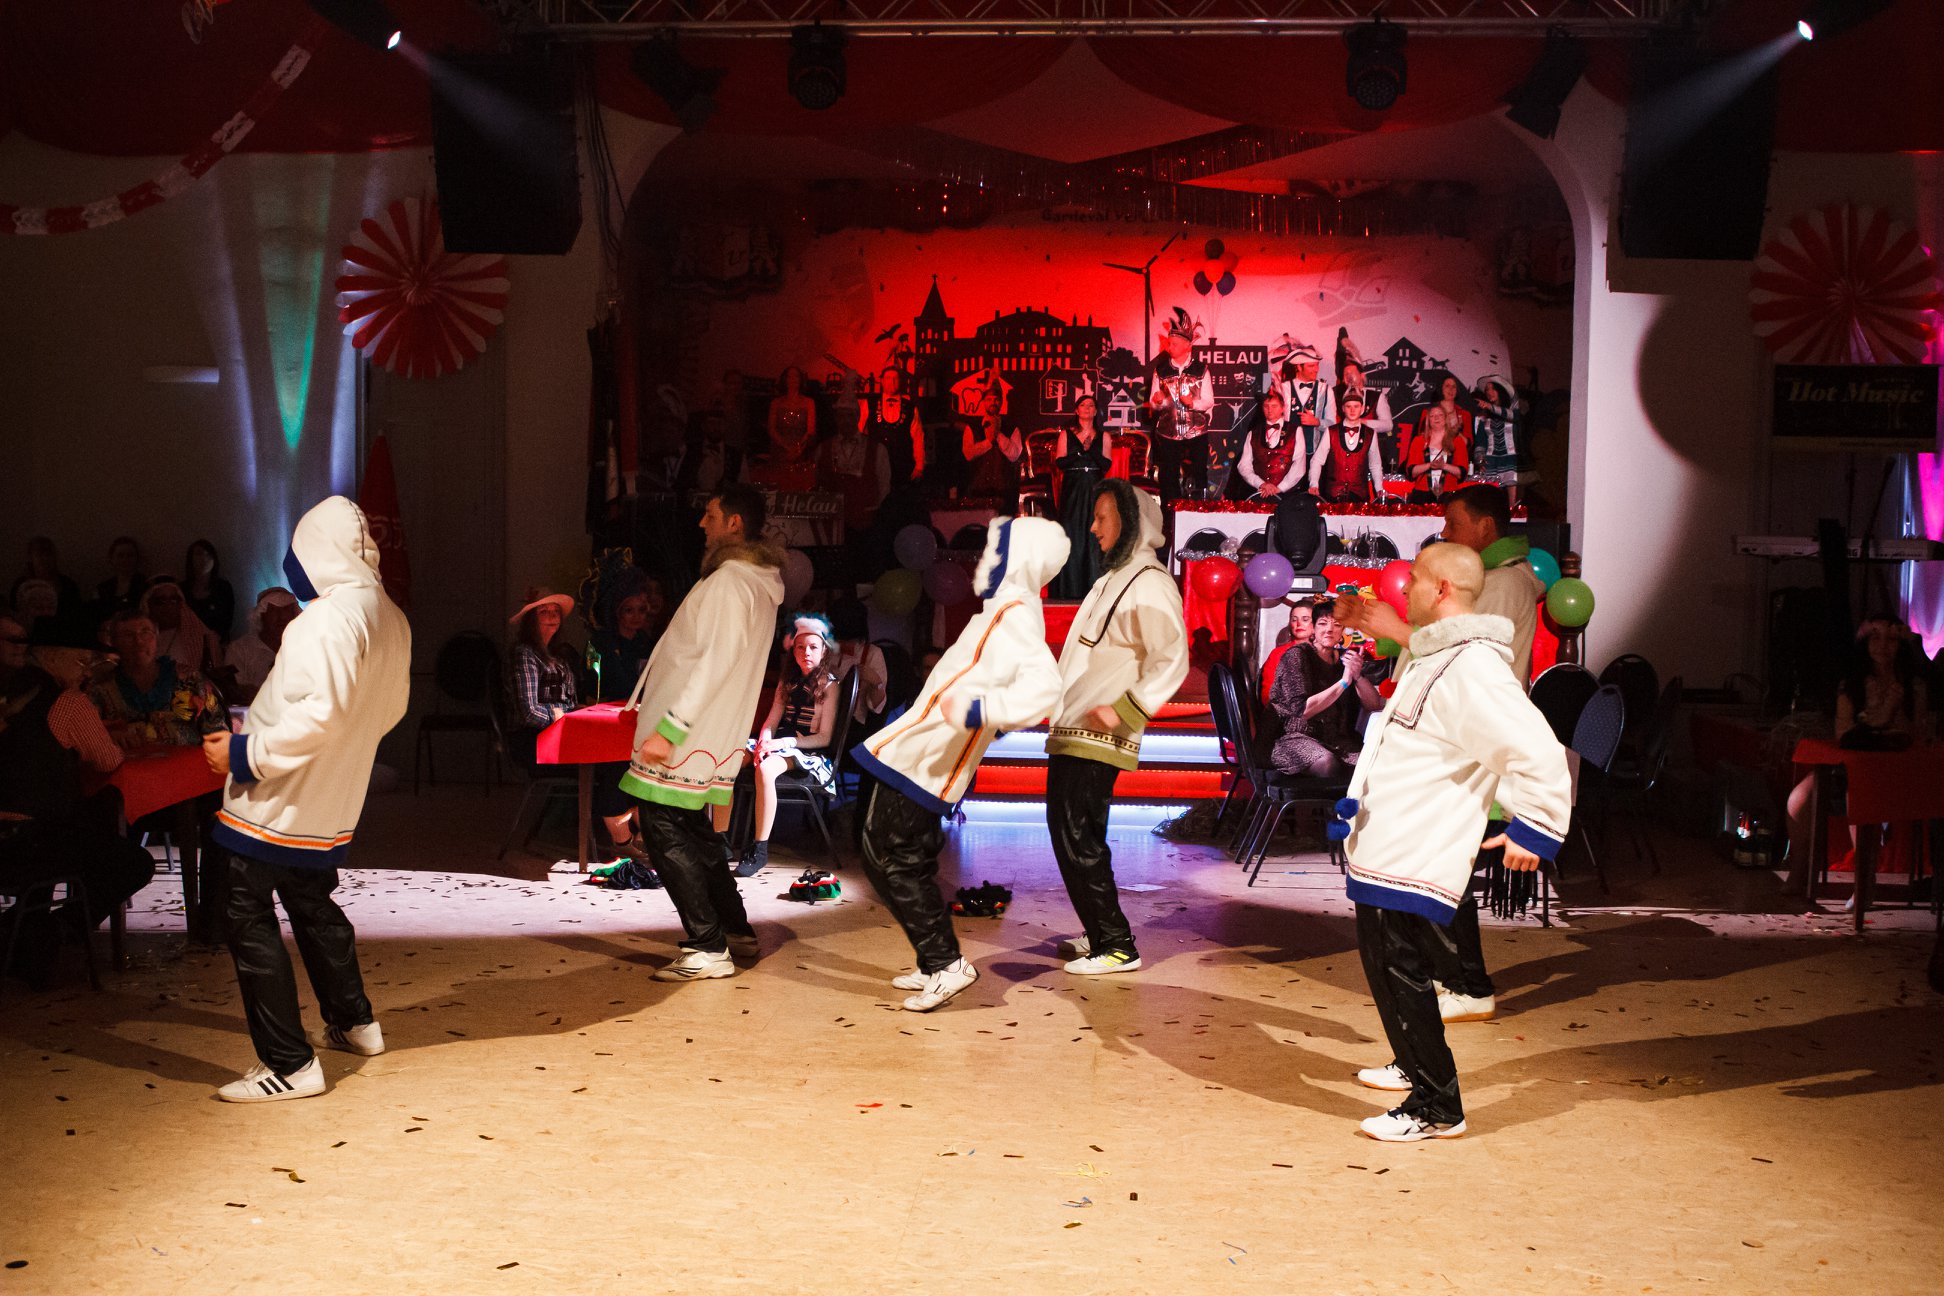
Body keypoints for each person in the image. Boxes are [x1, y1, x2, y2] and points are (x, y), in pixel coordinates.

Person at [1337, 542, 1571, 1141]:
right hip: (1393, 839)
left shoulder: (1473, 667)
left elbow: (1536, 750)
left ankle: (1436, 1106)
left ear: (1441, 589)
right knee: (1392, 965)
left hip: (1416, 844)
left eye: (1414, 579)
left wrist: (1535, 827)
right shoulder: (1440, 653)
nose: (1404, 588)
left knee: (1400, 967)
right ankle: (1413, 1063)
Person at [202, 496, 411, 1102]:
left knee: (244, 910)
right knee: (311, 900)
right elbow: (387, 711)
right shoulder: (391, 617)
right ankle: (353, 1022)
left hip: (278, 794)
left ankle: (290, 1064)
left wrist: (244, 753)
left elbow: (319, 714)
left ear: (315, 552)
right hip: (332, 795)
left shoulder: (324, 619)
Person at [1336, 483, 1546, 1022]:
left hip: (1458, 754)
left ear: (1485, 528)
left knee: (1445, 870)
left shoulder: (1501, 584)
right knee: (1425, 871)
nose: (1444, 532)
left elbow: (1462, 649)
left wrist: (1394, 629)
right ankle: (1448, 983)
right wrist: (1379, 625)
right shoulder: (1491, 585)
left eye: (1453, 525)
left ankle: (1467, 984)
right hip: (1441, 748)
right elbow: (1439, 642)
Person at [851, 516, 1068, 1012]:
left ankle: (945, 962)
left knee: (891, 858)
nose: (985, 559)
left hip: (931, 757)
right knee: (887, 855)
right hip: (917, 749)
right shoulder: (1001, 609)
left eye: (997, 551)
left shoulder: (1016, 614)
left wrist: (979, 713)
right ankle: (935, 958)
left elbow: (1045, 688)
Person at [620, 485, 784, 982]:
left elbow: (715, 662)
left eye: (710, 515)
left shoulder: (733, 582)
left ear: (734, 523)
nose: (701, 524)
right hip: (710, 730)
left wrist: (670, 728)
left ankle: (707, 944)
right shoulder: (752, 582)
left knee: (661, 826)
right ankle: (733, 929)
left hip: (689, 732)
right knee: (695, 830)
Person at [1045, 482, 1189, 975]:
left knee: (1076, 833)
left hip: (1099, 730)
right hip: (1079, 725)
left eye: (1102, 517)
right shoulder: (1115, 578)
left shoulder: (1149, 582)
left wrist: (1128, 709)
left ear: (1129, 522)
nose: (1092, 528)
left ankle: (1117, 944)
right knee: (1076, 832)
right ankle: (1100, 929)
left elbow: (1172, 657)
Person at [0, 616, 154, 988]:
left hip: (6, 839)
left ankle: (22, 932)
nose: (86, 670)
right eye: (81, 661)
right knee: (132, 862)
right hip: (32, 841)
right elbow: (108, 760)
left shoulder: (9, 691)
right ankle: (52, 932)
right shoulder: (67, 702)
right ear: (51, 657)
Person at [1784, 618, 1933, 891]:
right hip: (1854, 765)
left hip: (1897, 770)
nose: (1883, 645)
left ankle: (1864, 881)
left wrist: (1892, 709)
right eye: (1875, 637)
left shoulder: (1913, 685)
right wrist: (1879, 718)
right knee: (1801, 798)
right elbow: (1844, 733)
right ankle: (1801, 869)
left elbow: (1914, 735)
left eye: (1891, 639)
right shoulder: (1852, 685)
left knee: (1860, 793)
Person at [738, 613, 841, 878]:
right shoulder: (788, 681)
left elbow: (824, 737)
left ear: (824, 650)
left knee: (766, 769)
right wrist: (764, 740)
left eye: (813, 647)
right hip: (779, 741)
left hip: (807, 749)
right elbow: (772, 720)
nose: (806, 652)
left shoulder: (830, 686)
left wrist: (784, 742)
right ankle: (720, 838)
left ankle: (759, 848)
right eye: (800, 647)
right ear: (793, 650)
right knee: (732, 759)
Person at [1268, 598, 1381, 777]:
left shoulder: (1345, 659)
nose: (1329, 629)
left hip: (1338, 742)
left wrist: (1357, 675)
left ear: (1342, 631)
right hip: (1294, 739)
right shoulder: (1296, 656)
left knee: (1377, 763)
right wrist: (1344, 682)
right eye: (1322, 623)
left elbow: (1374, 705)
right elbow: (1303, 711)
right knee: (1327, 762)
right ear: (1313, 628)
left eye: (1337, 625)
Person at [89, 609, 226, 750]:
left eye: (145, 632)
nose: (138, 641)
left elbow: (218, 729)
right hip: (128, 763)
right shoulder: (100, 689)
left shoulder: (190, 680)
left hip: (187, 761)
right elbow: (86, 736)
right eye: (128, 635)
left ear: (157, 638)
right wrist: (107, 736)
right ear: (113, 642)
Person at [505, 589, 579, 770]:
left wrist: (577, 713)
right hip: (534, 740)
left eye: (556, 612)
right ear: (531, 620)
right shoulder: (524, 653)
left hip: (559, 734)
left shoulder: (558, 655)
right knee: (598, 759)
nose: (552, 616)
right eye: (544, 612)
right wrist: (564, 717)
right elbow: (529, 713)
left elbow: (570, 701)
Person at [1146, 308, 1214, 503]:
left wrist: (1193, 403)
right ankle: (1170, 512)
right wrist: (1158, 401)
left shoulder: (1201, 369)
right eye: (1169, 343)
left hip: (1196, 431)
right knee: (1168, 475)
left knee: (1199, 473)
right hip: (1168, 431)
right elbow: (1154, 404)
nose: (1170, 347)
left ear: (1188, 345)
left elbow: (1209, 400)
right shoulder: (1161, 370)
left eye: (1174, 344)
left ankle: (1198, 509)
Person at [1051, 395, 1113, 599]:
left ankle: (1095, 586)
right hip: (1073, 486)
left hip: (1094, 486)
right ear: (1076, 410)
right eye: (1083, 405)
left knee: (1094, 533)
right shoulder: (1066, 434)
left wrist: (1090, 450)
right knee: (1072, 532)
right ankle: (1069, 588)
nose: (1087, 408)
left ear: (1095, 412)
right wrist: (1079, 452)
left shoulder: (1103, 436)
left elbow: (1106, 464)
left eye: (1091, 405)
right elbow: (1060, 463)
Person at [1308, 392, 1387, 504]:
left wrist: (1379, 488)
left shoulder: (1370, 434)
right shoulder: (1331, 431)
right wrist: (1314, 484)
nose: (1352, 410)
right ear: (1343, 409)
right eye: (1348, 406)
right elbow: (1317, 460)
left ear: (1362, 409)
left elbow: (1375, 465)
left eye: (1356, 406)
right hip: (1332, 495)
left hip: (1359, 496)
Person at [226, 588, 301, 705]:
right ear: (261, 615)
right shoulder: (239, 649)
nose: (282, 617)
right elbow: (234, 689)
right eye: (274, 611)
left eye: (286, 610)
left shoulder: (303, 647)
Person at [1234, 388, 1310, 501]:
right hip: (1260, 494)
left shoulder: (1295, 431)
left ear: (1283, 408)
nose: (1269, 410)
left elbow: (1299, 465)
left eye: (1274, 406)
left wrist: (1280, 488)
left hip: (1287, 496)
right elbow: (1243, 465)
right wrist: (1261, 484)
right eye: (1266, 406)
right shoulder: (1253, 433)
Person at [139, 577, 224, 678]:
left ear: (181, 605)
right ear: (148, 605)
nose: (168, 606)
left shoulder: (205, 639)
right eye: (160, 601)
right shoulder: (138, 640)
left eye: (173, 600)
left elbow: (215, 680)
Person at [1269, 339, 1332, 462]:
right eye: (1311, 366)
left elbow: (1332, 425)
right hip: (1287, 453)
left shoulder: (1325, 390)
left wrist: (1317, 422)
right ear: (1299, 367)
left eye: (1317, 365)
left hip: (1315, 456)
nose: (1316, 369)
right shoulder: (1283, 388)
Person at [961, 389, 1024, 500]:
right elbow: (968, 454)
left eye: (996, 399)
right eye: (989, 399)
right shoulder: (972, 428)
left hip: (1005, 490)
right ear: (983, 402)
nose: (993, 402)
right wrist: (988, 442)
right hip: (978, 489)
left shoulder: (1012, 428)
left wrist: (997, 433)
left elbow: (1014, 455)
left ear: (1001, 402)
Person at [1401, 404, 1470, 503]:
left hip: (1449, 495)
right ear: (1428, 420)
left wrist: (1443, 466)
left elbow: (1462, 473)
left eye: (1440, 415)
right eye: (1432, 416)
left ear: (1445, 418)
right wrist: (1430, 465)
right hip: (1422, 495)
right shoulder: (1419, 441)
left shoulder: (1457, 441)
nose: (1436, 418)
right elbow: (1411, 472)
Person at [1470, 374, 1522, 507]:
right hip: (1491, 461)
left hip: (1511, 460)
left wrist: (1489, 407)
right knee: (1491, 502)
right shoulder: (1485, 416)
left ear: (1501, 391)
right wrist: (1480, 459)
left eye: (1493, 389)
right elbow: (1481, 440)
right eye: (1487, 390)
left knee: (1513, 505)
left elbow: (1513, 416)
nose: (1489, 392)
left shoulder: (1512, 411)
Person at [11, 537, 83, 627]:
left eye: (48, 554)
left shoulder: (68, 586)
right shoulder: (20, 586)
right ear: (30, 558)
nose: (45, 558)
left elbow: (77, 617)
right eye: (40, 554)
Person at [1259, 600, 1315, 703]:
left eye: (1305, 619)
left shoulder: (1325, 653)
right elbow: (1268, 695)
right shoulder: (1278, 654)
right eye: (1294, 619)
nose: (1298, 624)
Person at [183, 539, 237, 642]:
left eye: (208, 555)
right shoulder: (182, 590)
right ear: (191, 559)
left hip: (218, 644)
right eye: (199, 554)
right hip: (188, 643)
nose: (204, 559)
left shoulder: (223, 588)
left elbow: (227, 623)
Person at [93, 536, 148, 622]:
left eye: (130, 555)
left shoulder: (146, 585)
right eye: (120, 556)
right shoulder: (102, 588)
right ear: (111, 559)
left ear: (137, 558)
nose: (125, 559)